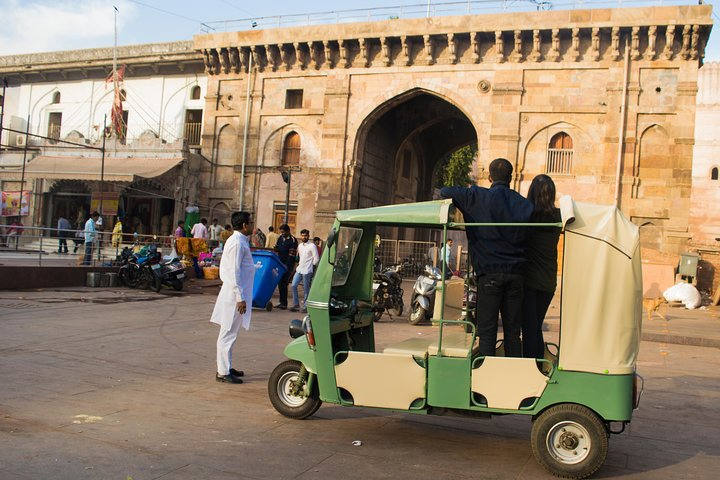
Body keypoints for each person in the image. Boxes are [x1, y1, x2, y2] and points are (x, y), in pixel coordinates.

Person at [440, 158, 533, 358]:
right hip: (517, 274)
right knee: (513, 333)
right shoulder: (524, 205)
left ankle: (485, 376)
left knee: (487, 331)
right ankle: (513, 374)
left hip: (488, 274)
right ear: (511, 178)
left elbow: (445, 191)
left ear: (489, 177)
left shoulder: (476, 196)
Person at [210, 211, 255, 384]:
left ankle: (226, 366)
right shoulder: (237, 242)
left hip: (236, 293)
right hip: (234, 295)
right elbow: (234, 271)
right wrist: (240, 297)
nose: (252, 225)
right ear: (244, 225)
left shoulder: (240, 241)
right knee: (227, 332)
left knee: (231, 332)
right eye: (250, 222)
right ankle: (222, 371)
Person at [521, 175, 562, 359]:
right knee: (535, 325)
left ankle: (533, 367)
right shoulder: (558, 216)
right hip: (548, 281)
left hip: (529, 280)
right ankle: (538, 363)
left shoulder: (526, 214)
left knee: (530, 328)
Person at [291, 229, 320, 312]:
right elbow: (299, 257)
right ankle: (296, 304)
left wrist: (312, 267)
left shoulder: (312, 246)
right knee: (293, 285)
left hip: (307, 270)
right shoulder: (300, 246)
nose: (304, 237)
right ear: (301, 236)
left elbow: (316, 259)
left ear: (308, 236)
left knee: (306, 288)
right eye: (302, 235)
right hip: (300, 269)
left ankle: (306, 306)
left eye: (305, 235)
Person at [274, 224, 298, 310]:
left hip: (287, 265)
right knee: (280, 283)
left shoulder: (293, 240)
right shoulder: (280, 238)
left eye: (283, 232)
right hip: (280, 263)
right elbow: (277, 247)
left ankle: (284, 303)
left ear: (288, 231)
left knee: (284, 282)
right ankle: (281, 302)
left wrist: (286, 266)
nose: (282, 234)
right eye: (281, 232)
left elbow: (292, 255)